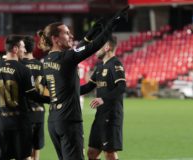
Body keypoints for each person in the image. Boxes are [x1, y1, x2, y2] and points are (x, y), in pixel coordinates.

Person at [37, 11, 126, 159]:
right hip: (69, 121)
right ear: (55, 39)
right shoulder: (67, 58)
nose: (71, 36)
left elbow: (77, 50)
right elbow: (95, 45)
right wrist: (113, 23)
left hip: (53, 120)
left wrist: (89, 35)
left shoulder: (47, 60)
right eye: (66, 33)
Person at [0, 35, 49, 160]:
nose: (24, 50)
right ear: (16, 49)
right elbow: (33, 96)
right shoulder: (24, 70)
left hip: (1, 123)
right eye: (23, 47)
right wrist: (53, 100)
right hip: (20, 124)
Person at [80, 36, 126, 160]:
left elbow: (121, 87)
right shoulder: (100, 67)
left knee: (109, 153)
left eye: (99, 47)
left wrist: (103, 99)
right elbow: (89, 86)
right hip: (100, 115)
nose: (96, 50)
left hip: (111, 116)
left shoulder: (115, 64)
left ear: (107, 47)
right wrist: (68, 92)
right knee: (92, 153)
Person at [20, 36, 48, 160]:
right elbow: (47, 89)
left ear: (23, 48)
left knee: (24, 152)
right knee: (36, 150)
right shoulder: (42, 66)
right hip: (39, 112)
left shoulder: (18, 65)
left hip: (23, 114)